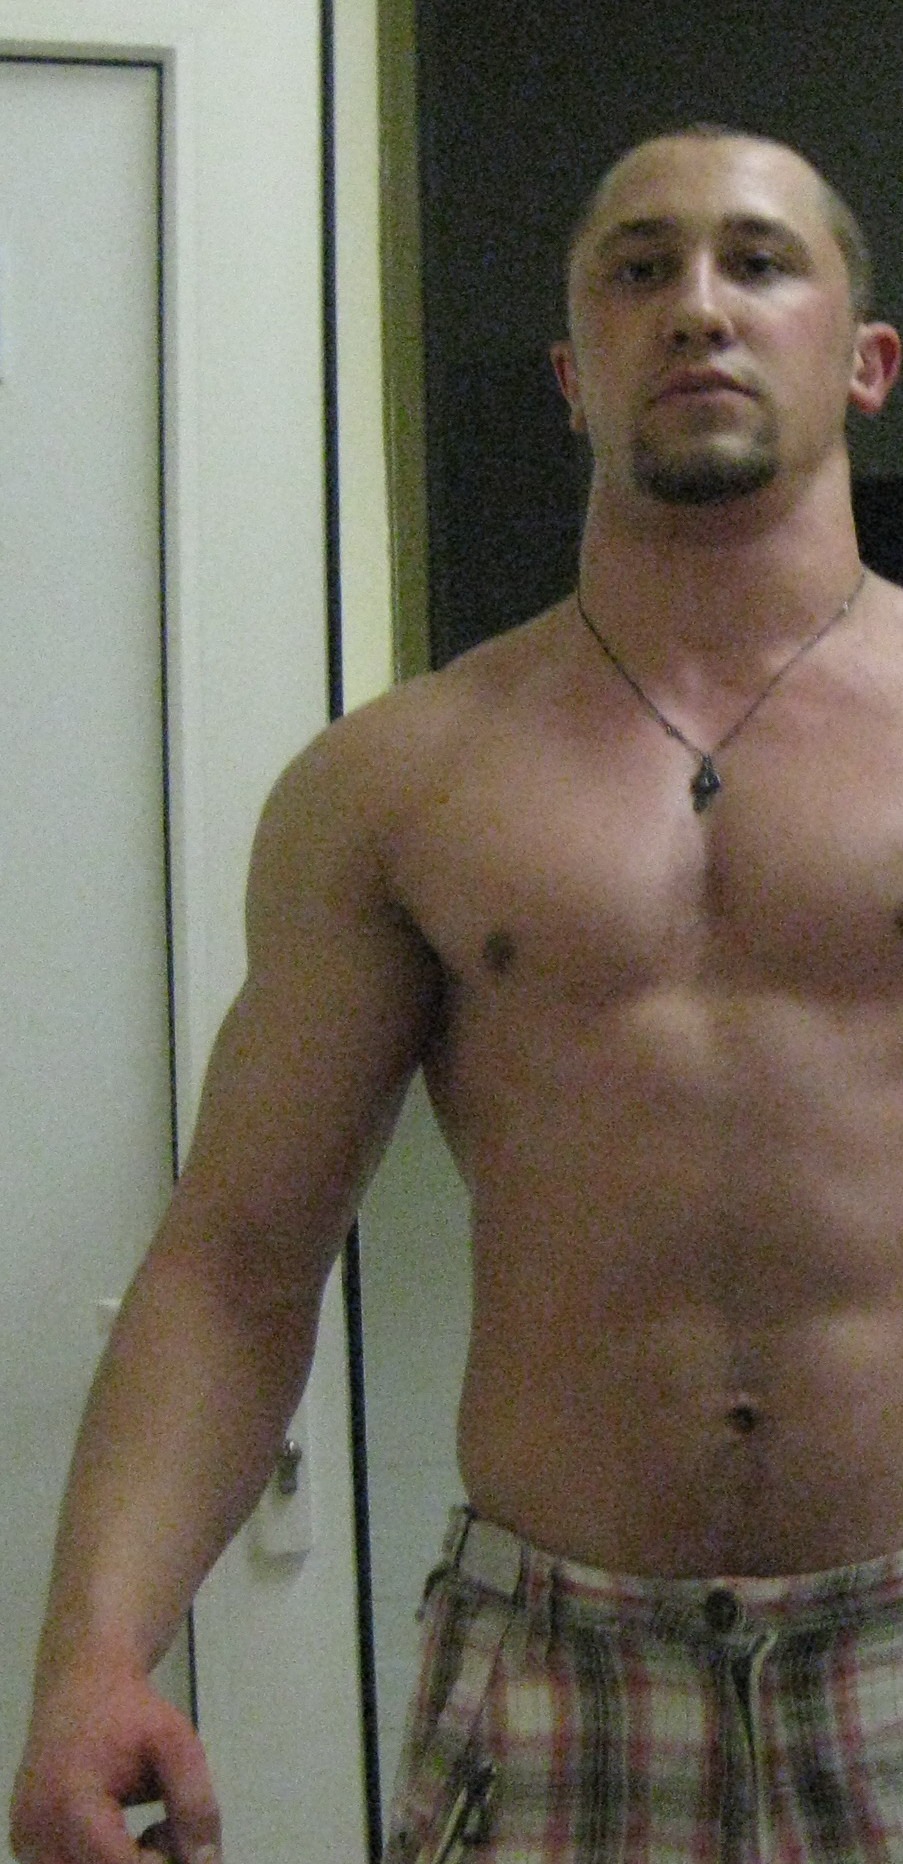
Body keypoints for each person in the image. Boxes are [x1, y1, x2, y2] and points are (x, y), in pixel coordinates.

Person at [11, 120, 903, 1864]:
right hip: (555, 1672)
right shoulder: (398, 782)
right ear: (573, 375)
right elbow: (238, 1260)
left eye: (758, 262)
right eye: (638, 269)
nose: (698, 305)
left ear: (868, 362)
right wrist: (91, 1656)